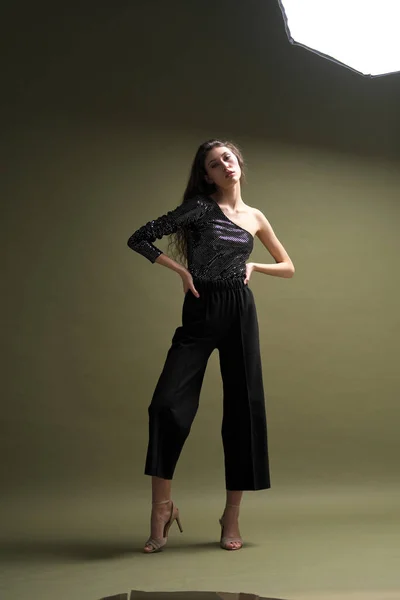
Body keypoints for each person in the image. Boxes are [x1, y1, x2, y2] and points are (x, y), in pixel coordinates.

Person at [127, 139, 295, 554]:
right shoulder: (200, 208)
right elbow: (141, 237)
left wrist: (255, 264)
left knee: (243, 407)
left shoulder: (255, 216)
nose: (224, 165)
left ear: (238, 163)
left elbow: (289, 267)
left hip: (240, 310)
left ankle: (231, 515)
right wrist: (181, 272)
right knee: (167, 405)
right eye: (214, 163)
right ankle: (161, 509)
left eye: (228, 158)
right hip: (202, 309)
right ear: (207, 176)